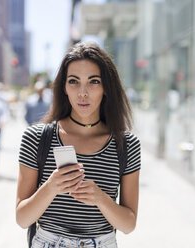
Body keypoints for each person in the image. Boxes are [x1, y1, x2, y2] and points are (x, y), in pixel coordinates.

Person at [16, 42, 141, 247]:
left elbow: (128, 225)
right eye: (74, 81)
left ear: (106, 88)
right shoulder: (36, 138)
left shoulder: (126, 144)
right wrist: (51, 187)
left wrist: (100, 198)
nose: (83, 93)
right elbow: (22, 219)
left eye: (93, 82)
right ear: (64, 87)